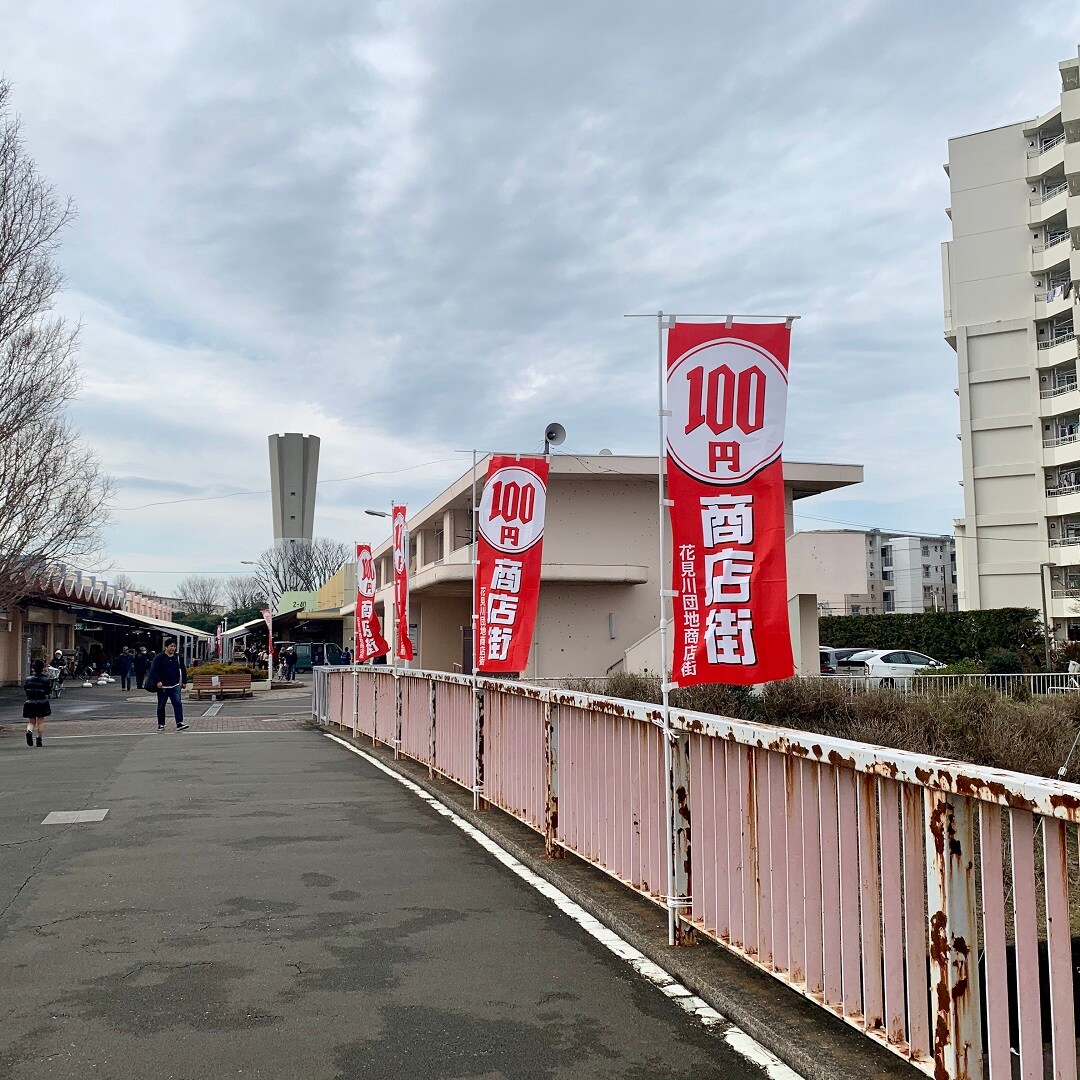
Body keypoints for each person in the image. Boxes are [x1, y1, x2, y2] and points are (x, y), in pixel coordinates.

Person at [147, 638, 189, 731]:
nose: (173, 648)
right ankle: (161, 723)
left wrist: (184, 681)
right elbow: (154, 670)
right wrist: (158, 681)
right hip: (163, 686)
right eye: (171, 646)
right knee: (161, 705)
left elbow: (182, 669)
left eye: (174, 646)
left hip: (175, 685)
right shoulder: (159, 657)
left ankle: (179, 722)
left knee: (177, 703)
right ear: (166, 647)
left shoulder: (178, 657)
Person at [24, 659, 52, 747]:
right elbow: (48, 691)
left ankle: (29, 731)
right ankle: (39, 738)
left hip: (30, 701)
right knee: (41, 720)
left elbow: (26, 689)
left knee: (31, 721)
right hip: (42, 701)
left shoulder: (28, 679)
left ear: (33, 668)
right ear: (42, 668)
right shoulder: (45, 679)